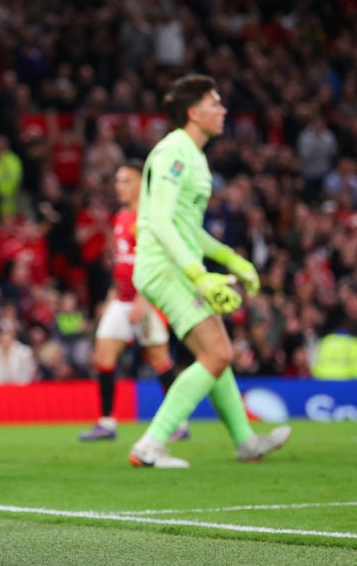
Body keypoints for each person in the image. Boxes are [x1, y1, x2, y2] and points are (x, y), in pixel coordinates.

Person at [128, 74, 290, 468]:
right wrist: (198, 274)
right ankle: (151, 444)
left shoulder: (194, 155)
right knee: (218, 352)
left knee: (215, 354)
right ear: (192, 112)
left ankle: (245, 442)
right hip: (165, 265)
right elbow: (161, 223)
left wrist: (233, 260)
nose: (223, 110)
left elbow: (187, 228)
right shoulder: (176, 152)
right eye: (214, 103)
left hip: (175, 264)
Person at [79, 160, 189, 442]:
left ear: (142, 183)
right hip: (122, 298)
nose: (119, 186)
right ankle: (106, 422)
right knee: (103, 355)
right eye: (117, 181)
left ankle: (179, 422)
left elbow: (156, 262)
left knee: (159, 359)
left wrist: (143, 300)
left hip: (147, 299)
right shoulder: (121, 217)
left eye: (125, 181)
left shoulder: (150, 218)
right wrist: (112, 295)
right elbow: (123, 263)